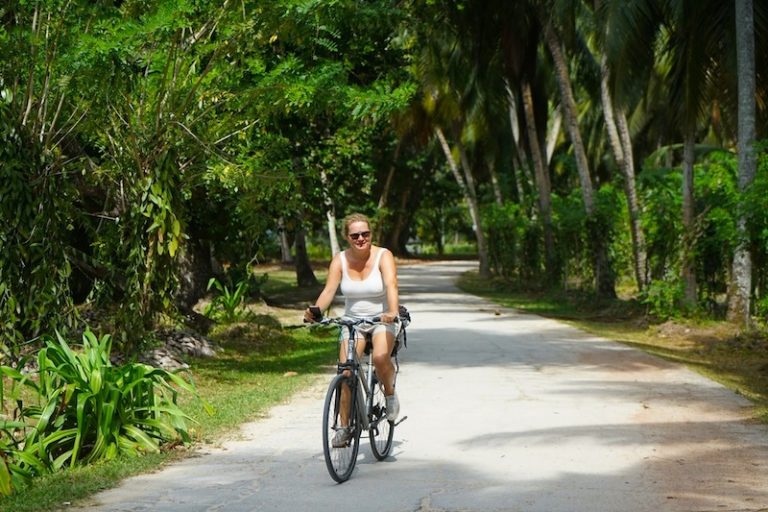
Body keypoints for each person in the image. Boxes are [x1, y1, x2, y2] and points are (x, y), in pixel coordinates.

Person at [304, 213, 401, 447]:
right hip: (352, 321)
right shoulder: (340, 260)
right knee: (346, 372)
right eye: (355, 235)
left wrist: (393, 311)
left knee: (379, 357)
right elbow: (329, 291)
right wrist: (315, 311)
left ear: (371, 234)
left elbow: (391, 285)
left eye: (365, 234)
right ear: (347, 237)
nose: (361, 238)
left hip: (381, 319)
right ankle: (344, 427)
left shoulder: (383, 255)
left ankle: (389, 393)